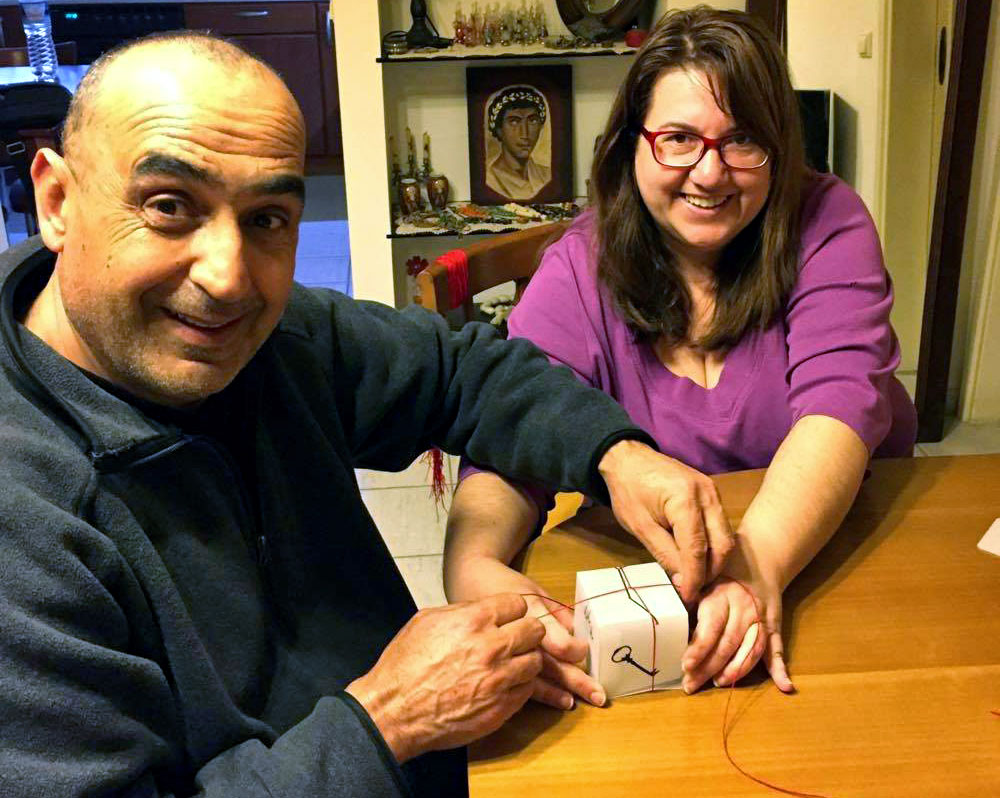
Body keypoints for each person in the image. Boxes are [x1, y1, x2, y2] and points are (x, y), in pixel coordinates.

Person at [0, 31, 735, 798]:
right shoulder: (26, 521)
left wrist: (617, 455)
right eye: (169, 206)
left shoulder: (274, 340)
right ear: (57, 201)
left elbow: (463, 370)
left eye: (267, 218)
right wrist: (387, 720)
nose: (227, 279)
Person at [444, 6, 918, 712]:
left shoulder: (828, 219)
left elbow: (840, 406)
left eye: (743, 139)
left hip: (835, 561)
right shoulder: (578, 267)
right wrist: (474, 566)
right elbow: (516, 431)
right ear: (630, 144)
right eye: (678, 139)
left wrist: (757, 565)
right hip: (677, 605)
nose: (710, 172)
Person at [485, 85, 552, 200]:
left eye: (532, 120)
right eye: (514, 122)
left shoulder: (546, 176)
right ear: (499, 130)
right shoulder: (490, 180)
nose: (524, 134)